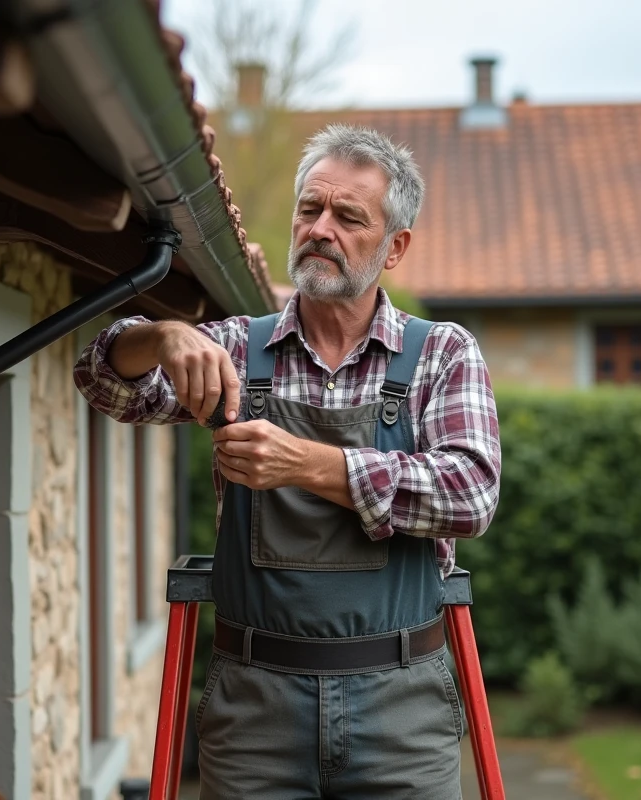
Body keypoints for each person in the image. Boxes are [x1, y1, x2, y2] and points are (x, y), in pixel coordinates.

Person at [74, 124, 502, 799]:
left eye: (348, 216)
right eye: (310, 209)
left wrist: (305, 464)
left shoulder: (442, 354)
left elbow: (470, 494)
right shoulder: (236, 352)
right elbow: (105, 385)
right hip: (254, 713)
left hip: (402, 712)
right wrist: (161, 335)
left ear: (396, 248)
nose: (321, 228)